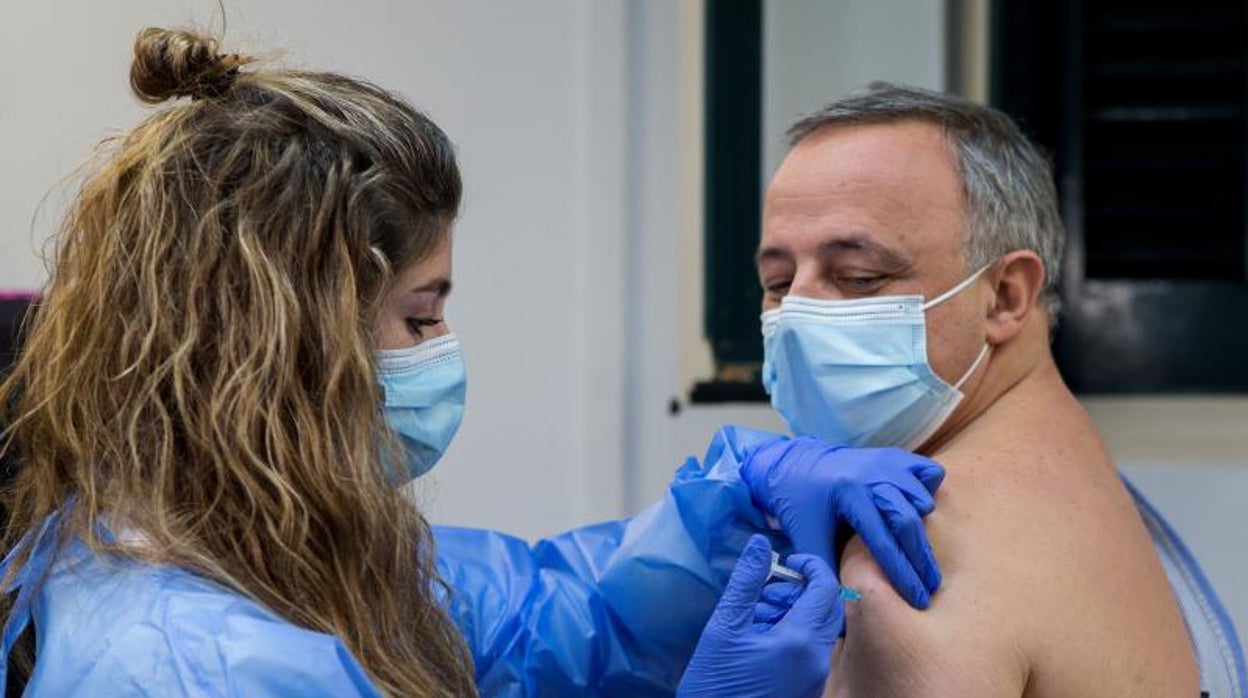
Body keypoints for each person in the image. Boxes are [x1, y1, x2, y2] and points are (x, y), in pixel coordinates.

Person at [0, 30, 947, 696]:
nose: (437, 355)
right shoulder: (193, 667)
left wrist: (739, 501)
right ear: (284, 345)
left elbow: (556, 624)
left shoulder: (276, 549)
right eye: (419, 316)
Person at [750, 82, 1245, 696]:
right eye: (777, 282)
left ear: (1008, 295)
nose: (797, 319)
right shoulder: (1081, 475)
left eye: (859, 277)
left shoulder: (907, 557)